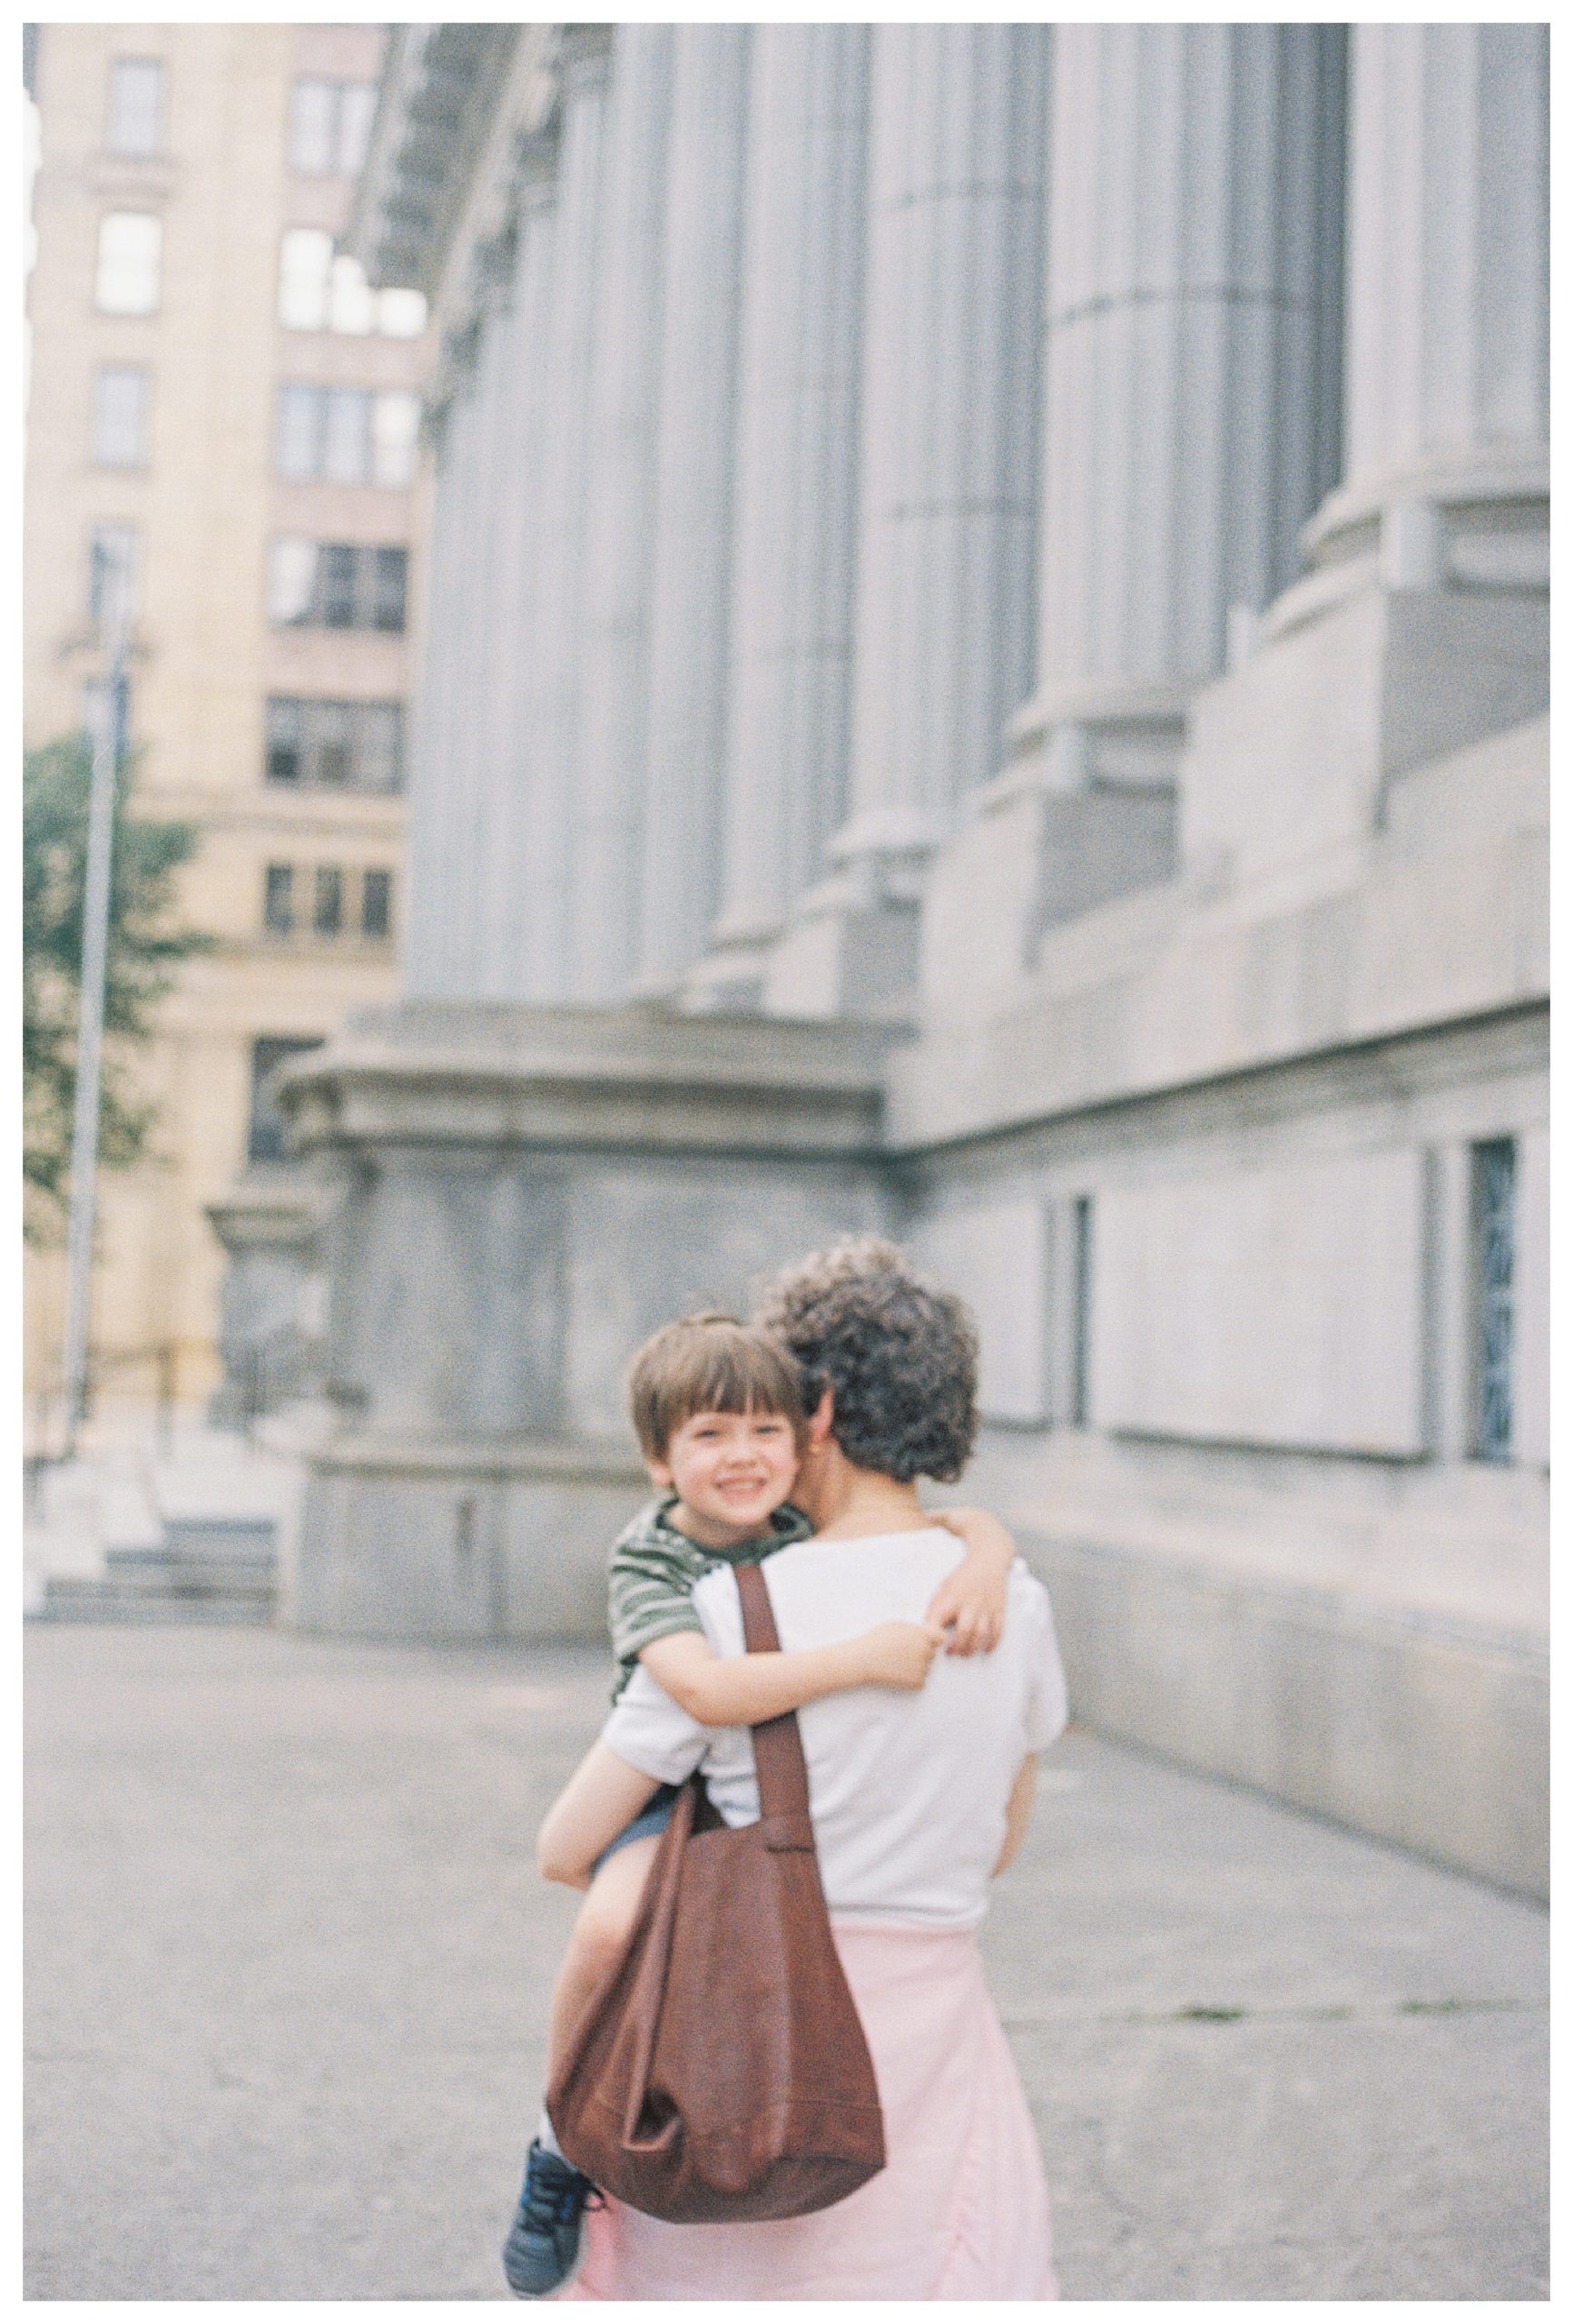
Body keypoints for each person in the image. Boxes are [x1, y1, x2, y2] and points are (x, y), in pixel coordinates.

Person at [535, 1237, 1068, 2302]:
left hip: (745, 2059)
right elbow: (999, 1844)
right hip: (939, 2051)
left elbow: (565, 1846)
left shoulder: (728, 1610)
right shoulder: (1010, 1605)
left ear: (813, 1412)